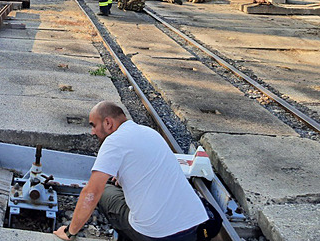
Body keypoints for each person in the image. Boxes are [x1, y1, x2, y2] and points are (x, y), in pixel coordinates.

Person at [54, 101, 209, 241]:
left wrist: (69, 232)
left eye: (93, 125)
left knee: (105, 190)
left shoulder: (113, 141)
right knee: (116, 185)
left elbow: (92, 192)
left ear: (108, 123)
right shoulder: (150, 133)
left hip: (156, 236)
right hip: (192, 227)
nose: (92, 132)